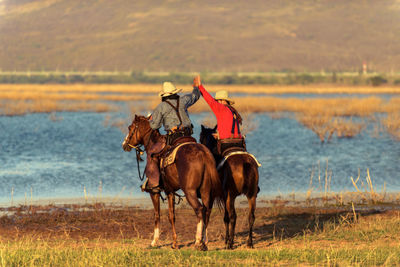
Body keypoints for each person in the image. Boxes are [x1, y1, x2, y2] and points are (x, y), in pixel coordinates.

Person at [142, 81, 200, 193]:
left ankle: (154, 183)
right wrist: (196, 87)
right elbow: (195, 96)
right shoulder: (183, 100)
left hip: (173, 138)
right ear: (174, 93)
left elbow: (155, 126)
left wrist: (151, 120)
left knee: (153, 154)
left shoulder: (162, 106)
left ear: (164, 95)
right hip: (188, 136)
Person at [195, 75, 245, 155]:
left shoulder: (221, 108)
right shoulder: (233, 110)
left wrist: (200, 87)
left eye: (217, 101)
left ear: (221, 101)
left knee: (211, 158)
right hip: (238, 142)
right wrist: (219, 134)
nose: (217, 103)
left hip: (226, 143)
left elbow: (210, 101)